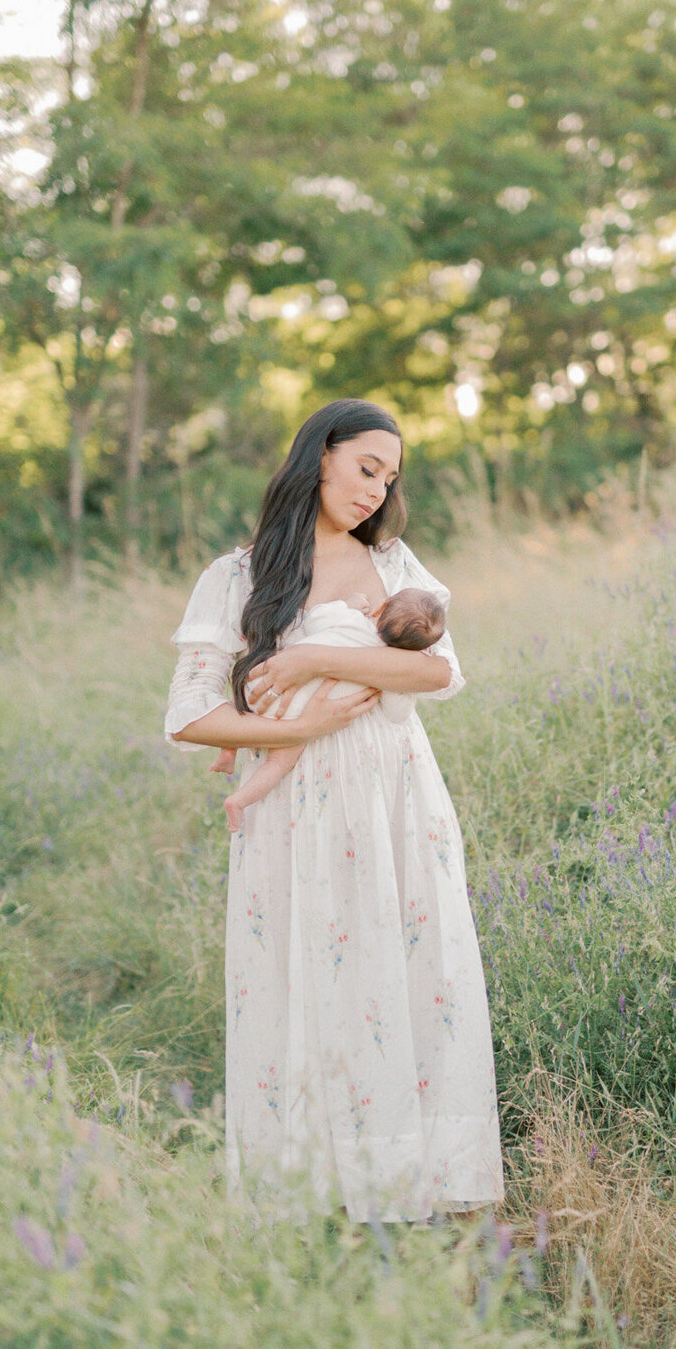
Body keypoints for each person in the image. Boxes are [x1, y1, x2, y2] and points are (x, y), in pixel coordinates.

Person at [163, 398, 504, 1223]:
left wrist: (315, 654)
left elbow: (439, 674)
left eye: (388, 477)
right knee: (307, 964)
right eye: (365, 467)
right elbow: (188, 715)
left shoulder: (392, 563)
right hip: (297, 810)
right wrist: (307, 722)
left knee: (408, 965)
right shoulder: (238, 578)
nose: (376, 490)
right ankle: (313, 1182)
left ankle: (407, 1175)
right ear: (319, 456)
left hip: (396, 794)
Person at [211, 585, 446, 832]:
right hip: (296, 710)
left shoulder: (351, 621)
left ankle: (228, 749)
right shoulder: (385, 667)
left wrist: (349, 605)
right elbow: (396, 714)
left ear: (382, 606)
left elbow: (315, 620)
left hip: (268, 683)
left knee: (242, 703)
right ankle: (238, 801)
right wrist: (406, 690)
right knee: (279, 763)